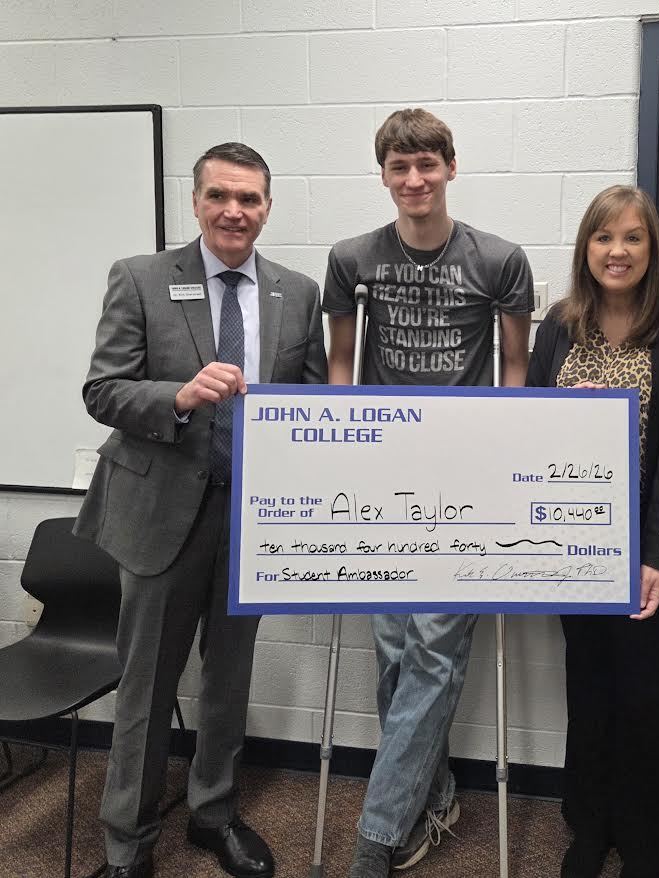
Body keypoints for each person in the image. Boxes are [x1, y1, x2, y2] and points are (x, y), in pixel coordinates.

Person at [75, 142, 328, 878]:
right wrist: (177, 397)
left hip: (252, 524)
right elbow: (103, 391)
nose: (233, 211)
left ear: (267, 209)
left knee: (228, 683)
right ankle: (128, 843)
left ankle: (213, 813)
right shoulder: (142, 278)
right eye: (219, 195)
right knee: (147, 688)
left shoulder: (296, 292)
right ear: (195, 202)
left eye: (249, 199)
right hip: (160, 521)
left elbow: (309, 406)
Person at [322, 108, 534, 877]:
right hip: (383, 478)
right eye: (399, 167)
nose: (414, 180)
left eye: (427, 165)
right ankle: (435, 791)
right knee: (393, 653)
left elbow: (515, 366)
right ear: (383, 174)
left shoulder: (500, 259)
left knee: (436, 650)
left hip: (463, 479)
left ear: (450, 167)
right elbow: (341, 360)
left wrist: (499, 459)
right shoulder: (351, 258)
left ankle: (377, 833)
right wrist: (343, 451)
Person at [527, 185, 659, 878]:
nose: (617, 251)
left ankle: (650, 834)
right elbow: (528, 432)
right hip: (570, 541)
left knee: (642, 682)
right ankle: (590, 823)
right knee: (588, 677)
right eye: (604, 238)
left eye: (632, 238)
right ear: (586, 248)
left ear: (650, 247)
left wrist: (656, 554)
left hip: (649, 538)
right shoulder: (558, 325)